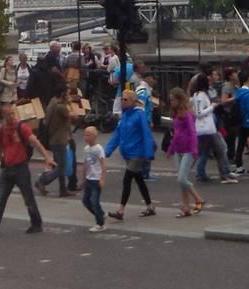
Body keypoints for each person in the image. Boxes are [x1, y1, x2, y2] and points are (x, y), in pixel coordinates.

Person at [0, 103, 51, 237]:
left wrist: (47, 157)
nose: (12, 116)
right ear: (3, 115)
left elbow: (35, 142)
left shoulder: (21, 127)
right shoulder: (1, 129)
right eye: (9, 114)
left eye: (13, 113)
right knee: (0, 200)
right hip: (6, 169)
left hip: (21, 168)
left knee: (28, 198)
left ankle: (36, 224)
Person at [103, 90, 155, 221]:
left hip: (138, 153)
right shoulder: (124, 116)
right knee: (139, 180)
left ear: (132, 101)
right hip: (127, 153)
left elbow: (146, 134)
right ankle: (150, 206)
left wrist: (149, 152)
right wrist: (107, 151)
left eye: (125, 99)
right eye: (122, 99)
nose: (122, 101)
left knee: (127, 180)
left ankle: (120, 210)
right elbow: (117, 135)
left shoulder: (139, 115)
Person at [165, 89, 203, 218]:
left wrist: (194, 149)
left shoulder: (187, 115)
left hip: (188, 150)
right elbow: (175, 135)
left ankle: (198, 199)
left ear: (179, 99)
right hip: (178, 150)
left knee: (181, 178)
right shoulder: (176, 114)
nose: (171, 102)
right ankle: (186, 207)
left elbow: (193, 132)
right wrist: (170, 149)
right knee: (182, 181)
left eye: (173, 100)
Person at [190, 74, 234, 185]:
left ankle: (201, 173)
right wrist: (212, 107)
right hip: (207, 128)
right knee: (221, 149)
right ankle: (225, 173)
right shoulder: (201, 96)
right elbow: (199, 113)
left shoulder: (196, 95)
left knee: (205, 152)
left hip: (204, 128)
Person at [35, 89, 75, 197]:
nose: (69, 95)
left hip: (55, 139)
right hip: (59, 140)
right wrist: (71, 103)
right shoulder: (61, 107)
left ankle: (63, 190)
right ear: (63, 95)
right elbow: (74, 116)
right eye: (67, 93)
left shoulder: (53, 102)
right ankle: (42, 180)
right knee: (61, 167)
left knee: (59, 165)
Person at [78, 126, 107, 231]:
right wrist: (83, 178)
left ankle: (100, 224)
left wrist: (102, 179)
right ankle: (101, 214)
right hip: (89, 179)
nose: (85, 137)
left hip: (96, 179)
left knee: (94, 201)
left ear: (94, 136)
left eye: (88, 135)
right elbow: (85, 164)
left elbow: (103, 164)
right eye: (85, 134)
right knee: (86, 201)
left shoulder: (98, 149)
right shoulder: (86, 149)